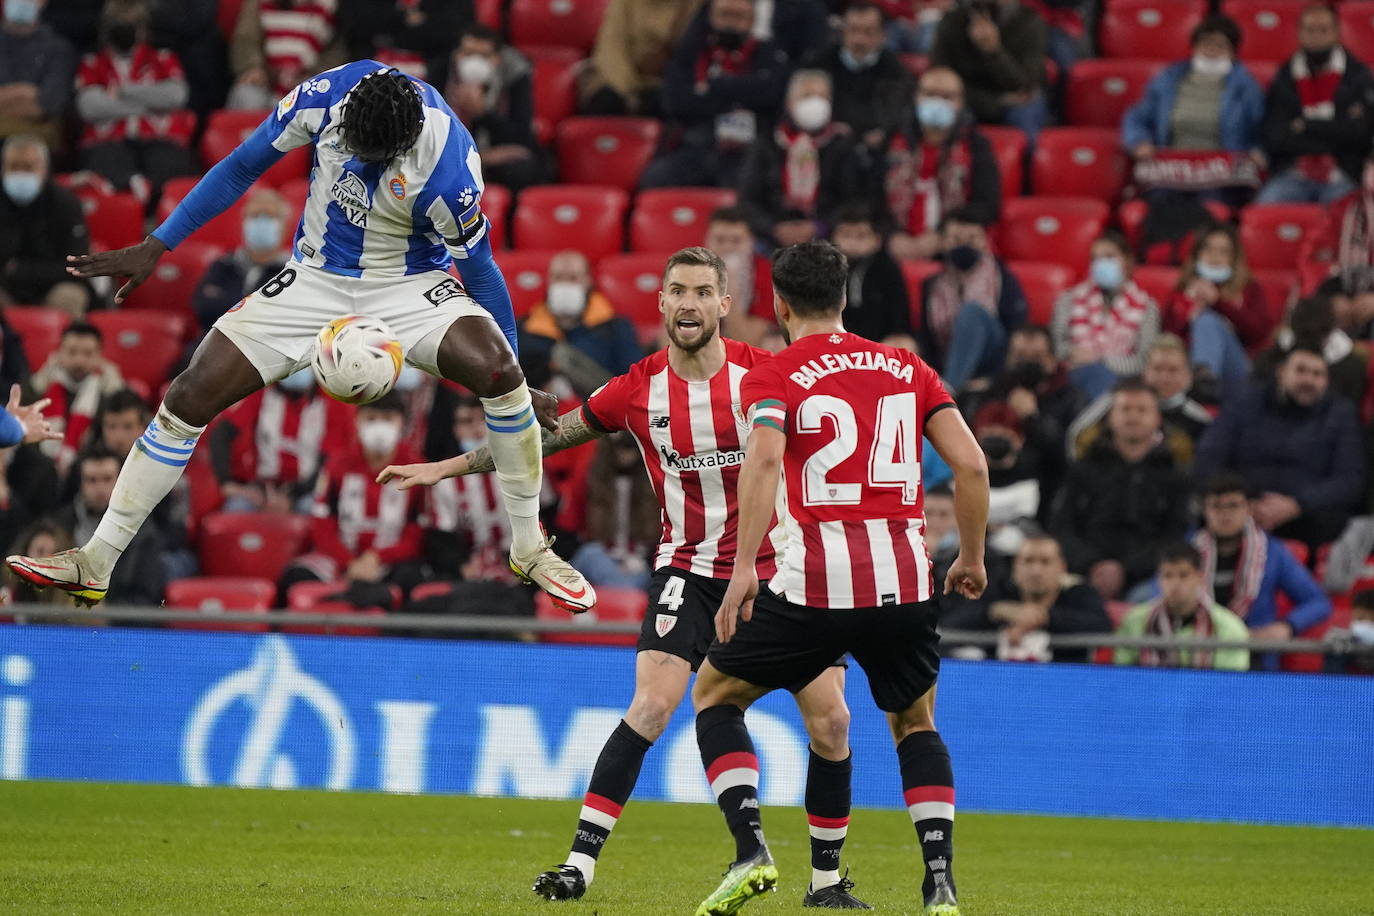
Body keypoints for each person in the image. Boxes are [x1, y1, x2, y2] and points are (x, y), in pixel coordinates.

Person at [8, 62, 592, 614]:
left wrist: (518, 371)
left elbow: (483, 272)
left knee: (498, 374)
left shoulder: (450, 170)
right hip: (314, 278)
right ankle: (97, 561)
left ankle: (527, 548)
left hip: (408, 283)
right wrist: (159, 243)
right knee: (189, 392)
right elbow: (242, 165)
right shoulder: (323, 98)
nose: (359, 166)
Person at [379, 247, 866, 908]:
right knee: (651, 704)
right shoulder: (636, 388)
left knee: (833, 723)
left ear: (725, 305)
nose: (688, 303)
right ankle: (580, 864)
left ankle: (828, 885)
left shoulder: (767, 374)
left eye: (702, 291)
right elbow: (543, 437)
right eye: (677, 291)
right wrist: (447, 468)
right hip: (688, 570)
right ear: (660, 304)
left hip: (777, 569)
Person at [679, 240, 987, 916]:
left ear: (779, 304)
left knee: (714, 695)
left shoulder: (776, 373)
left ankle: (752, 847)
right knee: (915, 723)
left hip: (816, 583)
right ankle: (938, 883)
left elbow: (762, 466)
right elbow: (972, 467)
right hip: (907, 582)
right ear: (845, 298)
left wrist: (740, 572)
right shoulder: (908, 368)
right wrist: (970, 556)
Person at [1194, 346, 1365, 549]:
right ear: (1281, 372)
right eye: (1301, 370)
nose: (1309, 380)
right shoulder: (1245, 403)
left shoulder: (1340, 414)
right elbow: (1209, 456)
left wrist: (1297, 505)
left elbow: (1350, 479)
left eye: (1317, 374)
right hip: (1241, 507)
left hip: (1308, 516)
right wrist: (1241, 502)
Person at [1049, 378, 1190, 600]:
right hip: (1085, 575)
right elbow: (1061, 528)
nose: (1133, 416)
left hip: (1149, 579)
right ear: (1110, 417)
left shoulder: (1174, 476)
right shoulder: (1082, 470)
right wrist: (1093, 565)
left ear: (1157, 418)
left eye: (1142, 410)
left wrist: (1126, 570)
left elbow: (1175, 537)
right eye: (1125, 409)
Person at [281, 391, 426, 596]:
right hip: (339, 559)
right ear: (356, 421)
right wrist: (350, 562)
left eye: (388, 419)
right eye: (371, 419)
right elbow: (322, 525)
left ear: (402, 423)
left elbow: (416, 534)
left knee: (413, 582)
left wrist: (377, 558)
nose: (379, 427)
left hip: (390, 562)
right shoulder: (337, 465)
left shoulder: (417, 469)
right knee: (295, 576)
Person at [638, 0, 789, 190]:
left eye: (738, 17)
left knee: (754, 185)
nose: (730, 23)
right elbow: (674, 101)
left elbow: (771, 94)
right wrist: (741, 95)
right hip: (697, 147)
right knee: (654, 178)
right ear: (711, 17)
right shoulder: (691, 52)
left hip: (748, 150)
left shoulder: (769, 54)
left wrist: (713, 87)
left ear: (752, 19)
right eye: (725, 15)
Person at [1194, 473, 1331, 668]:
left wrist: (1287, 626)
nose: (1225, 514)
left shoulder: (1271, 553)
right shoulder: (1188, 552)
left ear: (1249, 508)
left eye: (1233, 505)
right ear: (1204, 510)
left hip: (1254, 658)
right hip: (1195, 656)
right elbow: (1160, 598)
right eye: (1216, 506)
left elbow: (1318, 601)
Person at [73, 0, 196, 200]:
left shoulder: (162, 58)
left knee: (170, 164)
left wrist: (121, 92)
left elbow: (176, 96)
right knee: (105, 163)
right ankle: (133, 189)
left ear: (143, 29)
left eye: (132, 25)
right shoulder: (93, 63)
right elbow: (89, 107)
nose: (126, 30)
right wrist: (152, 104)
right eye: (119, 24)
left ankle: (147, 197)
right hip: (107, 142)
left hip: (160, 140)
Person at [878, 66, 1001, 262]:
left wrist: (942, 234)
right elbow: (871, 195)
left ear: (960, 103)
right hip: (893, 246)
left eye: (947, 97)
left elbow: (987, 203)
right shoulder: (892, 140)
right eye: (930, 94)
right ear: (917, 97)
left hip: (953, 243)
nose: (937, 102)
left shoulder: (976, 144)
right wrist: (891, 235)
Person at [1256, 4, 1374, 205]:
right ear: (1299, 33)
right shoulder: (1283, 79)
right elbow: (1277, 138)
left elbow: (1360, 134)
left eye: (1323, 30)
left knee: (1347, 220)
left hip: (1343, 175)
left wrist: (1306, 125)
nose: (1316, 36)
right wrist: (1336, 130)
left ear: (1337, 32)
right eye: (1310, 30)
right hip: (1292, 174)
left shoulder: (1359, 77)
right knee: (1264, 211)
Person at [1121, 16, 1264, 174]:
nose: (1211, 50)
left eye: (1220, 45)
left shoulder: (1246, 87)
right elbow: (1137, 117)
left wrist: (1258, 151)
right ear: (1194, 48)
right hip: (1171, 167)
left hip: (1222, 170)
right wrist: (1139, 141)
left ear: (1233, 52)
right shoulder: (1168, 80)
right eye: (1205, 43)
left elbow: (1264, 128)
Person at [738, 69, 863, 249]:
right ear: (790, 103)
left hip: (828, 238)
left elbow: (851, 201)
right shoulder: (767, 144)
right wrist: (774, 228)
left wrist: (819, 227)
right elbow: (748, 200)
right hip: (770, 236)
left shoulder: (841, 146)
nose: (815, 102)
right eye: (807, 95)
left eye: (822, 96)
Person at [943, 533, 1110, 663]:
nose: (1036, 570)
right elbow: (949, 625)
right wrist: (995, 611)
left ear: (1062, 567)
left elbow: (1102, 627)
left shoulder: (1079, 594)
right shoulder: (996, 593)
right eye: (1028, 561)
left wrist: (1046, 617)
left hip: (1063, 686)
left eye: (1045, 562)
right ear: (1015, 567)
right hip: (996, 685)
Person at [210, 367, 349, 514]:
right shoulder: (262, 393)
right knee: (235, 510)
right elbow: (221, 433)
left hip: (307, 490)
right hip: (262, 488)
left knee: (315, 511)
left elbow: (330, 459)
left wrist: (293, 496)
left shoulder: (331, 402)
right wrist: (226, 482)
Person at [918, 208, 1028, 391]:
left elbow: (1016, 333)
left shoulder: (1003, 278)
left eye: (972, 239)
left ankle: (948, 392)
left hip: (992, 363)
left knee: (971, 312)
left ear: (985, 242)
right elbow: (927, 340)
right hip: (944, 365)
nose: (964, 246)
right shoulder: (932, 284)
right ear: (943, 242)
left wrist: (994, 380)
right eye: (956, 239)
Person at [1065, 334, 1211, 467]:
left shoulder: (1199, 420)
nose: (1164, 378)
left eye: (1173, 370)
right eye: (1157, 369)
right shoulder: (1115, 402)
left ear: (1187, 375)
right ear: (1145, 371)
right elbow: (1076, 436)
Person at [1163, 223, 1271, 396]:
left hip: (1237, 369)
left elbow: (1258, 334)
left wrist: (1218, 302)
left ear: (1234, 258)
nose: (1215, 257)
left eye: (1224, 252)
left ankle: (1203, 379)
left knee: (1207, 320)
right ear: (1197, 254)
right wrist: (1187, 314)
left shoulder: (1249, 288)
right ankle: (1200, 380)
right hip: (1185, 366)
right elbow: (1167, 336)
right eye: (1208, 250)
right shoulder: (1182, 290)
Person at [1051, 231, 1161, 401]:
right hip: (1073, 378)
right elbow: (1057, 347)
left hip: (1124, 382)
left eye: (1109, 257)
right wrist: (1072, 353)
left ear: (1127, 261)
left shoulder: (1147, 307)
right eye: (1095, 259)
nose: (1101, 264)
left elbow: (1144, 361)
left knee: (1100, 376)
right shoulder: (1068, 299)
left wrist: (1100, 360)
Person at [50, 446, 165, 606]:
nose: (100, 489)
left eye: (107, 479)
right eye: (91, 480)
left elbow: (146, 600)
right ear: (80, 484)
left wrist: (105, 615)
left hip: (117, 625)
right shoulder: (59, 526)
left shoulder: (142, 531)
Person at [1114, 542, 1250, 671]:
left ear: (1200, 577)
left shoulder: (1229, 626)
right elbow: (1123, 676)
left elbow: (1230, 685)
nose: (1175, 583)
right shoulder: (1135, 620)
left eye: (1183, 575)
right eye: (1168, 576)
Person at [518, 250, 643, 390]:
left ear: (588, 281)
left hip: (599, 406)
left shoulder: (616, 328)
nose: (564, 284)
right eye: (558, 277)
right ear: (548, 281)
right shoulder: (524, 329)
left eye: (573, 278)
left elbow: (633, 382)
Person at [930, 0, 1048, 145]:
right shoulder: (952, 22)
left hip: (1017, 100)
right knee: (943, 109)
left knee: (1026, 114)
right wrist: (997, 102)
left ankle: (1027, 164)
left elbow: (1025, 85)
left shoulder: (1030, 22)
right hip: (969, 99)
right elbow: (942, 81)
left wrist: (993, 51)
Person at [442, 25, 543, 193]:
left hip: (500, 156)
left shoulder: (515, 78)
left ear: (496, 59)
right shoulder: (443, 74)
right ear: (458, 54)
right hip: (453, 156)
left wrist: (484, 114)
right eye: (468, 53)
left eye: (482, 56)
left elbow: (521, 135)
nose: (473, 62)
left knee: (521, 169)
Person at [801, 2, 915, 151]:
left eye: (868, 32)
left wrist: (885, 132)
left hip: (878, 152)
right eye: (853, 30)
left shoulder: (897, 72)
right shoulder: (818, 65)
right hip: (825, 147)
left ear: (882, 35)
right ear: (842, 31)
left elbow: (900, 114)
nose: (859, 40)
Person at [0, 135, 91, 315]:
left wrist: (21, 271)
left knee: (69, 297)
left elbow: (77, 265)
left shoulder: (66, 204)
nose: (20, 174)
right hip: (5, 288)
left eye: (27, 168)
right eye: (13, 167)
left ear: (44, 169)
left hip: (53, 286)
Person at [191, 187, 292, 333]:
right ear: (243, 223)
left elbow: (282, 320)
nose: (261, 221)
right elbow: (203, 308)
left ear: (285, 226)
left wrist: (228, 303)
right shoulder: (223, 265)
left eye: (269, 216)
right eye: (255, 216)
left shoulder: (292, 272)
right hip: (213, 345)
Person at [27, 322, 125, 472]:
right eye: (72, 352)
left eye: (88, 354)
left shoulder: (112, 394)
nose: (79, 361)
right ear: (59, 353)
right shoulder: (39, 389)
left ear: (100, 356)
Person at [577, 0, 701, 116]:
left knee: (664, 103)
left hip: (666, 82)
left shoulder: (694, 5)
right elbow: (610, 49)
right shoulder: (623, 3)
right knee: (605, 102)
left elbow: (695, 53)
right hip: (617, 79)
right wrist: (629, 91)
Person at [226, 0, 343, 110]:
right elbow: (246, 39)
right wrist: (252, 67)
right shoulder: (258, 3)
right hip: (265, 83)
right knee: (248, 95)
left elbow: (336, 53)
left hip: (311, 84)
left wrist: (315, 76)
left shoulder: (330, 7)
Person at [1254, 292, 1366, 406]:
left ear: (1330, 333)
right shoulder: (1271, 358)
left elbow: (1346, 413)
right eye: (1304, 335)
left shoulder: (1351, 368)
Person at [0, 0, 76, 145]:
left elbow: (49, 103)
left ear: (43, 2)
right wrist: (23, 92)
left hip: (38, 142)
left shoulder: (59, 48)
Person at [831, 206, 911, 343]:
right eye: (845, 235)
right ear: (833, 238)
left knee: (902, 343)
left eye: (861, 236)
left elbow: (900, 318)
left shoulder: (888, 269)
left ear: (877, 240)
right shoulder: (824, 269)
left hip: (881, 343)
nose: (852, 243)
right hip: (835, 340)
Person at [338, 0, 468, 83]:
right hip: (367, 61)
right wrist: (401, 17)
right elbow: (354, 22)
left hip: (432, 67)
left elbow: (455, 29)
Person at [705, 205, 774, 345]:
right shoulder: (687, 270)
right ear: (707, 240)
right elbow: (666, 344)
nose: (727, 248)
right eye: (719, 240)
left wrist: (730, 287)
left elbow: (746, 341)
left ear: (751, 242)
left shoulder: (767, 274)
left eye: (736, 241)